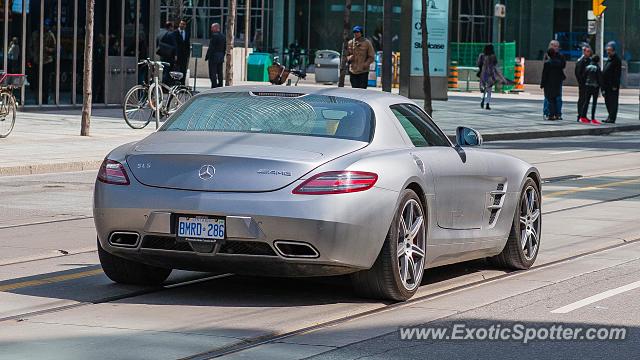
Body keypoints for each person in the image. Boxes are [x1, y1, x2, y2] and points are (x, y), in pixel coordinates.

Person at [476, 44, 509, 110]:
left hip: (483, 73)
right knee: (489, 90)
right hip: (490, 74)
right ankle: (487, 103)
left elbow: (478, 64)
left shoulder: (482, 55)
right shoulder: (493, 56)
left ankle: (482, 99)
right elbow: (495, 65)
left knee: (484, 88)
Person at [542, 40, 566, 120]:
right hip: (549, 80)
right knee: (548, 98)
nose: (555, 47)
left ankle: (557, 113)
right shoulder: (547, 56)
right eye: (553, 45)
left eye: (556, 46)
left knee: (557, 97)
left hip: (557, 80)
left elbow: (563, 65)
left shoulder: (560, 56)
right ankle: (547, 112)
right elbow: (545, 71)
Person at [602, 42, 622, 123]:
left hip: (612, 85)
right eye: (607, 50)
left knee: (613, 102)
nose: (608, 52)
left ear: (613, 51)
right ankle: (609, 116)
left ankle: (612, 118)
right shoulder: (609, 59)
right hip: (606, 85)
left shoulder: (616, 60)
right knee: (607, 101)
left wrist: (615, 85)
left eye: (609, 50)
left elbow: (617, 74)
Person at [582, 55, 602, 125]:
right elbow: (599, 78)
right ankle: (593, 118)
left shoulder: (588, 67)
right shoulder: (597, 68)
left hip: (587, 86)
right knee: (594, 103)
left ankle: (583, 116)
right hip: (595, 87)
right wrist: (601, 86)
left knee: (586, 101)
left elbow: (584, 76)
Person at [575, 45, 592, 123]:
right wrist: (582, 82)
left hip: (589, 84)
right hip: (583, 84)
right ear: (584, 52)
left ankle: (584, 115)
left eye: (589, 51)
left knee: (586, 100)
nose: (588, 53)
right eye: (587, 51)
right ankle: (580, 115)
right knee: (582, 99)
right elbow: (578, 73)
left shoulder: (590, 61)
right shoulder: (580, 61)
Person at [205, 23, 226, 88]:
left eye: (212, 28)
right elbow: (224, 47)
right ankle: (220, 85)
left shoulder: (214, 36)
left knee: (212, 72)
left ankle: (214, 85)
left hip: (213, 57)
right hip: (220, 57)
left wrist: (207, 56)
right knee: (220, 72)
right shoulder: (223, 36)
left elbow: (211, 47)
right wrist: (223, 55)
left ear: (217, 28)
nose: (211, 29)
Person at [174, 19, 191, 85]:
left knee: (183, 69)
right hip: (177, 54)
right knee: (177, 69)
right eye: (181, 24)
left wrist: (188, 54)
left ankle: (182, 83)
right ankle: (176, 83)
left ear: (185, 26)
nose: (182, 25)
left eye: (184, 24)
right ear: (179, 24)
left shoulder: (187, 33)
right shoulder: (175, 32)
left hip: (184, 55)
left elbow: (187, 44)